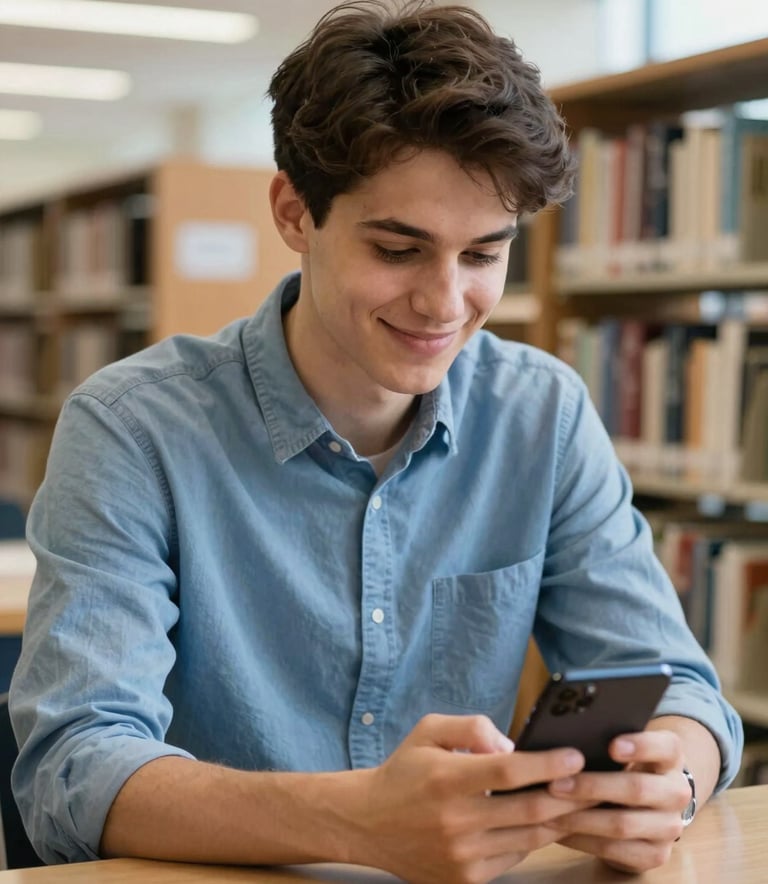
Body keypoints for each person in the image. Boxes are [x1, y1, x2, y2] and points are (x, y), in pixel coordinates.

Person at [10, 1, 742, 881]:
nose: (444, 303)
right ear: (294, 213)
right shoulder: (132, 429)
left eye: (483, 255)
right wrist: (357, 823)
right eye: (399, 249)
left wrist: (674, 777)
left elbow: (677, 689)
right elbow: (74, 767)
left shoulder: (541, 412)